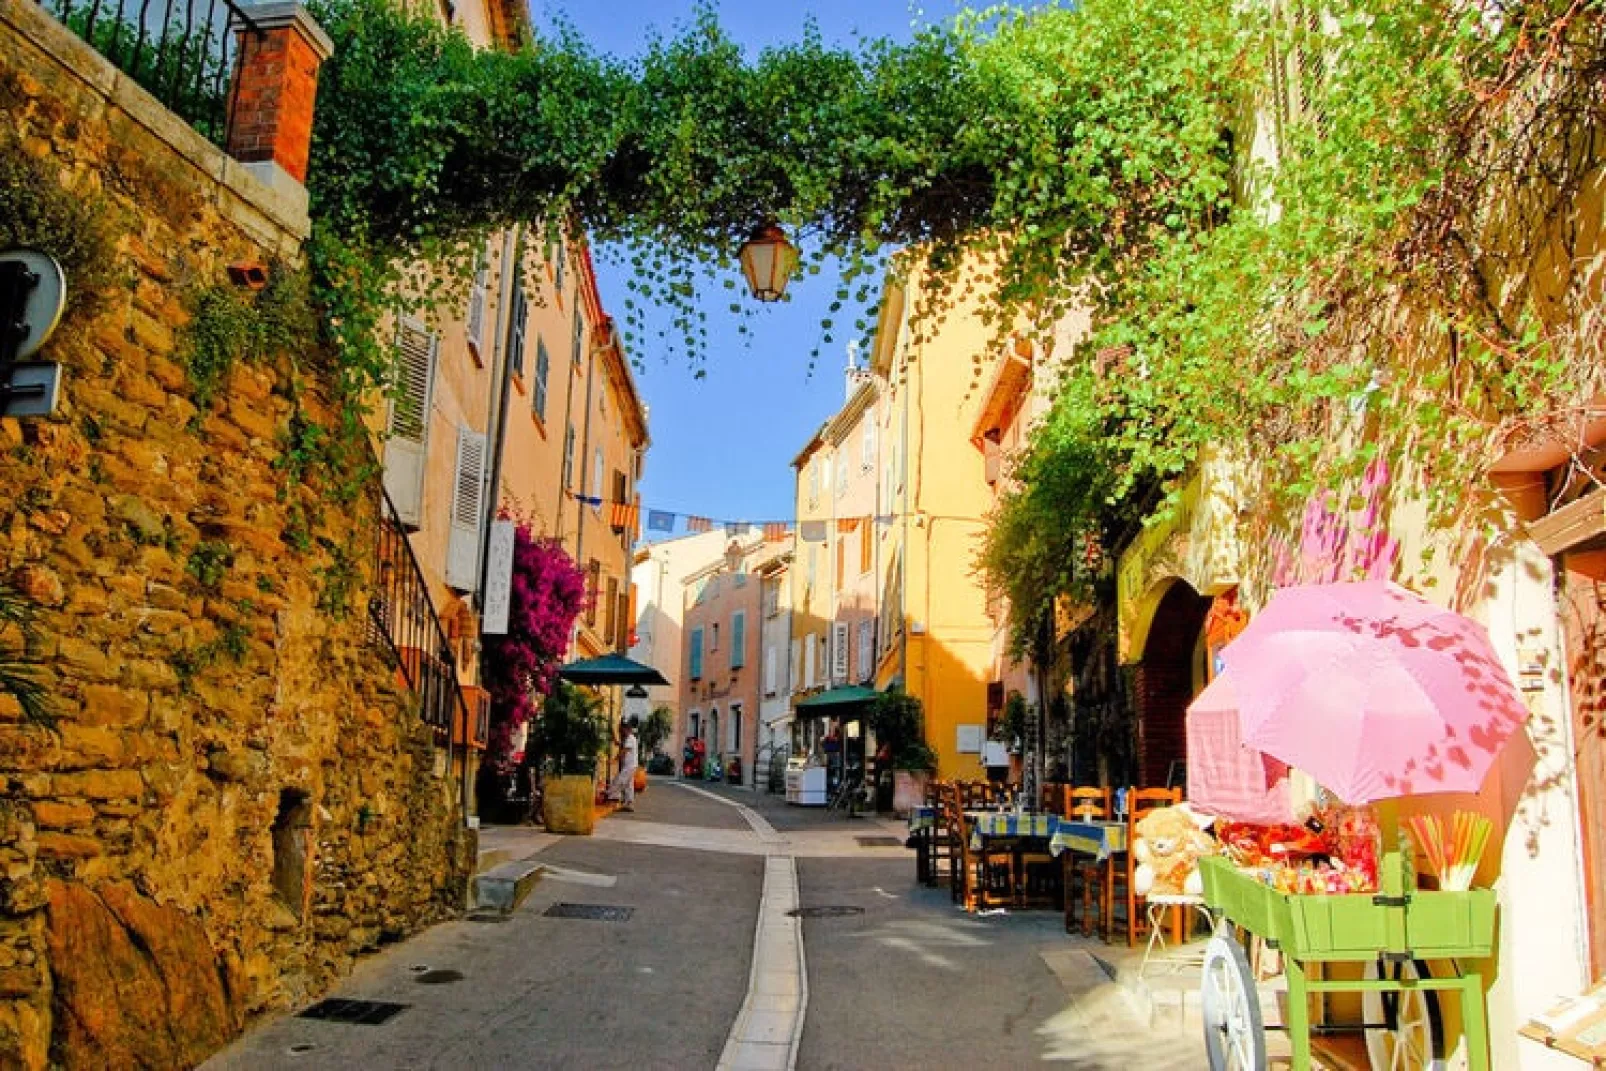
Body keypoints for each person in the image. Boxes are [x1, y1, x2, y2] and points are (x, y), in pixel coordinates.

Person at [609, 722, 640, 812]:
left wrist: (614, 760)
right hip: (631, 765)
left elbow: (624, 751)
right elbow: (620, 745)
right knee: (628, 784)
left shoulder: (630, 738)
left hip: (630, 766)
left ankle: (613, 800)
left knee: (619, 781)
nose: (620, 732)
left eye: (621, 730)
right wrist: (614, 737)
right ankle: (628, 804)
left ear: (627, 729)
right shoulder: (629, 738)